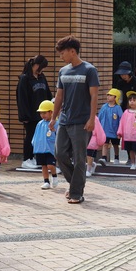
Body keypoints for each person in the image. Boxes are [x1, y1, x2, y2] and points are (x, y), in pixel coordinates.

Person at [49, 35, 100, 204]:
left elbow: (94, 96)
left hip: (82, 122)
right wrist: (54, 118)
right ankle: (75, 186)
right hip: (64, 120)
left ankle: (76, 193)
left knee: (79, 158)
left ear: (72, 51)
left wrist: (92, 119)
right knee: (60, 154)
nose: (61, 56)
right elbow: (59, 96)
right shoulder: (62, 71)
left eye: (62, 53)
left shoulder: (89, 70)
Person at [16, 55, 53, 169]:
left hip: (42, 114)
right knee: (30, 136)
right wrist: (24, 115)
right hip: (30, 114)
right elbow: (22, 98)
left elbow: (48, 94)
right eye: (41, 67)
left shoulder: (42, 77)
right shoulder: (25, 78)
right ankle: (27, 159)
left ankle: (35, 157)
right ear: (36, 65)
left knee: (40, 136)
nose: (42, 70)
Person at [32, 100, 59, 189]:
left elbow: (59, 136)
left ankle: (54, 176)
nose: (42, 115)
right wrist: (34, 144)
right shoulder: (39, 123)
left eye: (44, 113)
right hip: (40, 149)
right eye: (41, 113)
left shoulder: (55, 123)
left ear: (51, 112)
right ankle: (46, 181)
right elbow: (36, 135)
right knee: (43, 165)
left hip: (50, 149)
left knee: (50, 165)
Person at [98, 88, 123, 165]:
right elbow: (100, 117)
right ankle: (104, 157)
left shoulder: (118, 108)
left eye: (110, 95)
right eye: (108, 95)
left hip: (115, 130)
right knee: (105, 144)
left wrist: (120, 130)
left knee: (115, 144)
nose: (108, 97)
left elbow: (121, 118)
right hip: (105, 129)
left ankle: (116, 157)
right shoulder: (104, 107)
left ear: (115, 97)